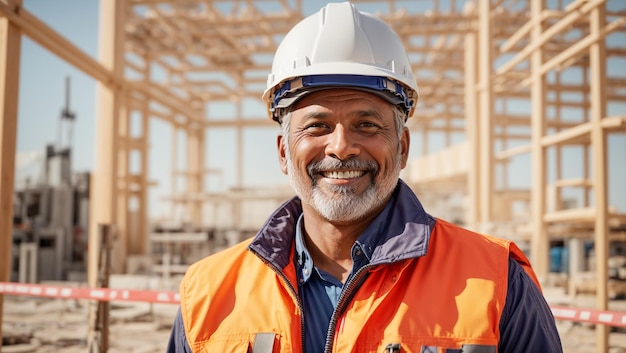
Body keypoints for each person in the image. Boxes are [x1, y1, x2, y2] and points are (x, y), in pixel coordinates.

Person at [167, 2, 563, 352]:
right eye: (317, 126)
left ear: (403, 148)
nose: (342, 147)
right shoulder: (208, 291)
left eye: (367, 125)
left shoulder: (496, 279)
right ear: (284, 152)